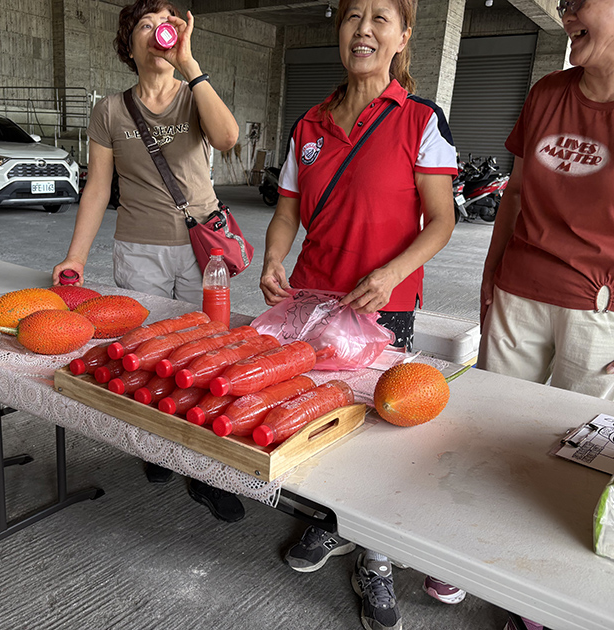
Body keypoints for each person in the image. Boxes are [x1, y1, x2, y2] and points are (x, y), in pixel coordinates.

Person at [259, 1, 457, 628]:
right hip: (311, 303)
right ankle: (330, 519)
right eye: (351, 17)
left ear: (402, 36)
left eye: (380, 18)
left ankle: (376, 556)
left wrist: (392, 274)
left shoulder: (420, 118)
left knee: (378, 432)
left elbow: (442, 220)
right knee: (315, 415)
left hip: (382, 307)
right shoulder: (308, 125)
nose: (363, 29)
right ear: (338, 30)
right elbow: (287, 212)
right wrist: (273, 258)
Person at [479, 1, 614, 628]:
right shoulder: (548, 92)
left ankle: (538, 587)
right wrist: (491, 276)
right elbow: (516, 195)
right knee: (485, 431)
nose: (565, 7)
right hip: (520, 292)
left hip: (610, 314)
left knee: (579, 454)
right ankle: (476, 550)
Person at [52, 0, 245, 522]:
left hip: (202, 250)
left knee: (206, 356)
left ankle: (204, 469)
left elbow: (228, 139)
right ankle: (159, 447)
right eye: (146, 24)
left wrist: (191, 64)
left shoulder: (193, 94)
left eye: (167, 23)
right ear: (129, 45)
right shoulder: (110, 111)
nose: (158, 31)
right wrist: (75, 258)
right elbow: (98, 187)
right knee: (146, 355)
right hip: (139, 252)